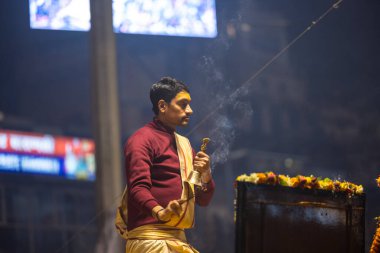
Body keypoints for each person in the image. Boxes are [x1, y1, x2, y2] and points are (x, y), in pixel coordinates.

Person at [115, 76, 215, 253]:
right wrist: (160, 212)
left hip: (178, 240)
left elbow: (203, 200)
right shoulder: (142, 139)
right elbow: (137, 188)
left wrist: (206, 173)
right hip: (150, 241)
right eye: (183, 104)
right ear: (162, 106)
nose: (190, 110)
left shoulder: (184, 145)